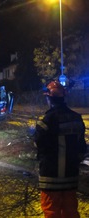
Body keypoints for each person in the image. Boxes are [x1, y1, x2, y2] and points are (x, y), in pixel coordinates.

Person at [34, 80, 87, 218]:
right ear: (64, 97)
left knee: (51, 211)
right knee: (71, 211)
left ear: (49, 98)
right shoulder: (77, 118)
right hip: (71, 176)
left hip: (50, 177)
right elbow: (82, 148)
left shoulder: (46, 121)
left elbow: (39, 146)